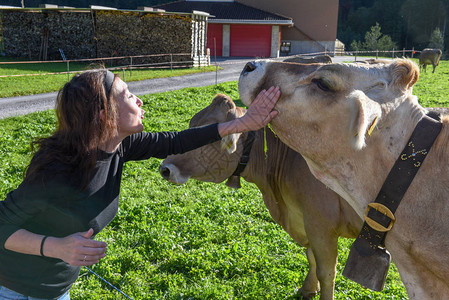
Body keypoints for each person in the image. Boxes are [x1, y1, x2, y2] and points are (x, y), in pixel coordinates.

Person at [0, 69, 281, 299]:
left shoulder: (119, 146)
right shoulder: (59, 171)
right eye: (128, 95)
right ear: (104, 114)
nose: (139, 101)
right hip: (17, 290)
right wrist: (56, 247)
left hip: (57, 288)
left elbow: (176, 140)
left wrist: (244, 123)